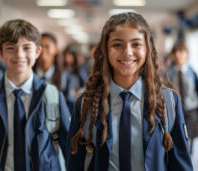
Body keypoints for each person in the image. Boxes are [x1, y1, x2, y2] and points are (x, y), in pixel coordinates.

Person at [66, 12, 193, 171]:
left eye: (136, 44)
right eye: (117, 45)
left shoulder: (168, 100)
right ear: (106, 49)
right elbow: (75, 163)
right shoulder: (87, 102)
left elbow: (180, 163)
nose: (127, 52)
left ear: (147, 48)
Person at [0, 19, 70, 171]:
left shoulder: (52, 97)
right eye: (11, 48)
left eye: (27, 48)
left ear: (38, 52)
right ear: (0, 53)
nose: (19, 55)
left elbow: (70, 150)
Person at [167, 41, 198, 154]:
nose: (178, 55)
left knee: (189, 140)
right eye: (175, 52)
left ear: (187, 54)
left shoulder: (192, 73)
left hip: (191, 112)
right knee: (178, 139)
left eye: (181, 52)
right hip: (175, 111)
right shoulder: (168, 74)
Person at [34, 32, 75, 113]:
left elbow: (69, 105)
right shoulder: (29, 75)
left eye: (47, 46)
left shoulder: (65, 77)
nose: (43, 50)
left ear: (56, 49)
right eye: (40, 46)